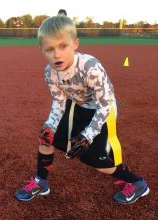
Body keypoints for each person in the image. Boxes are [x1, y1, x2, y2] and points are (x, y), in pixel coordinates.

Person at [14, 15, 149, 204]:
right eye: (50, 49)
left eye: (63, 46)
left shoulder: (90, 67)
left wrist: (87, 135)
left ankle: (137, 183)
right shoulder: (50, 72)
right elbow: (59, 102)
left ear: (75, 44)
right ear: (42, 50)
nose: (57, 55)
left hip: (102, 110)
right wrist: (49, 126)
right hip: (77, 105)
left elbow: (104, 105)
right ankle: (41, 182)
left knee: (97, 163)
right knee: (46, 139)